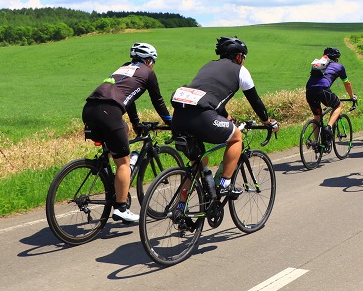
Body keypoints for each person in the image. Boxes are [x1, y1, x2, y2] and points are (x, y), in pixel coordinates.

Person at [171, 36, 279, 198]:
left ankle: (180, 208)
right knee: (236, 137)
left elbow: (208, 96)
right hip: (203, 116)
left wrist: (226, 116)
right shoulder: (240, 71)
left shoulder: (208, 65)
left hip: (179, 117)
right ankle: (225, 184)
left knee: (199, 165)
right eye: (243, 57)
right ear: (238, 56)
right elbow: (255, 101)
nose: (243, 61)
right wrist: (268, 121)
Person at [82, 42, 173, 223]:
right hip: (109, 112)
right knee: (123, 162)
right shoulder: (148, 73)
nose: (152, 65)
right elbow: (158, 100)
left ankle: (111, 183)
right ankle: (121, 208)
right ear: (148, 60)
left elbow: (128, 99)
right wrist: (171, 122)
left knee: (121, 130)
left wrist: (135, 123)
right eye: (153, 62)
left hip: (89, 108)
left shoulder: (123, 68)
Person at [306, 47, 357, 145]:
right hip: (323, 90)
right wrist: (352, 96)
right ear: (336, 59)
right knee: (337, 105)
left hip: (309, 90)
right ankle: (329, 127)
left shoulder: (318, 64)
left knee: (317, 115)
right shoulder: (339, 66)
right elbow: (347, 84)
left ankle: (316, 142)